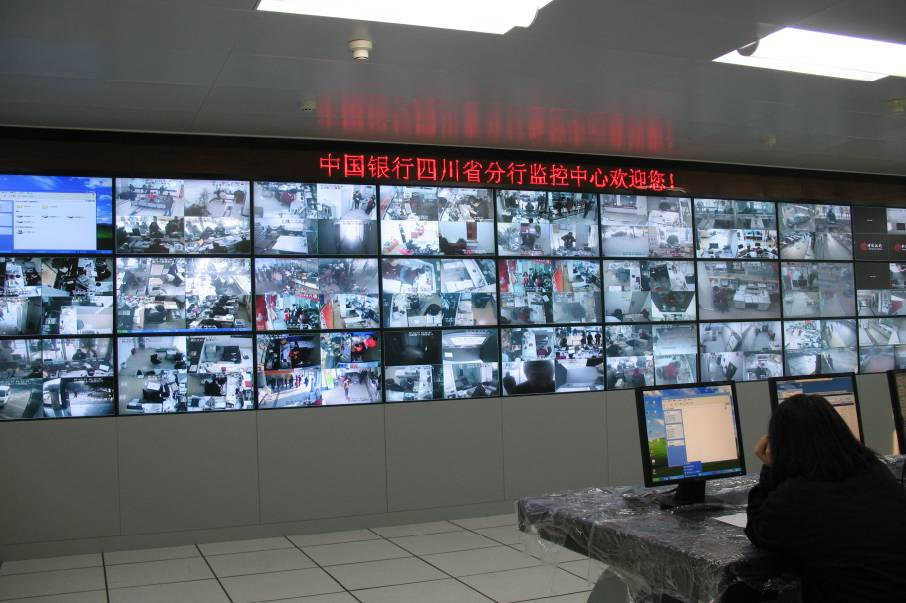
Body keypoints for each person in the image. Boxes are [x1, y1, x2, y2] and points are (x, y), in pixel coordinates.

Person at [746, 394, 906, 602]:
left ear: (782, 445)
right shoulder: (876, 471)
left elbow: (759, 530)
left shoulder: (797, 495)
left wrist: (770, 469)